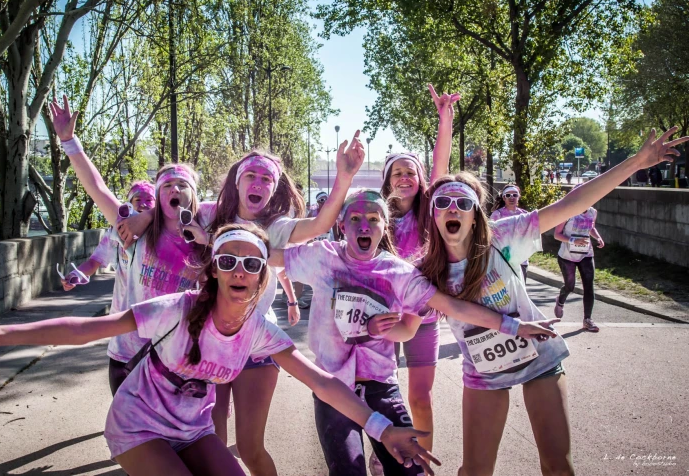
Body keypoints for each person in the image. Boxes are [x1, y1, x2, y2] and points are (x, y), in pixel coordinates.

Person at [0, 224, 440, 476]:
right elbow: (86, 327)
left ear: (264, 275)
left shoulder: (259, 331)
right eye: (228, 260)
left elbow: (323, 383)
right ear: (214, 268)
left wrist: (381, 428)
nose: (240, 270)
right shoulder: (176, 308)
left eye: (252, 263)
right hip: (138, 425)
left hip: (191, 427)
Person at [416, 126, 687, 476]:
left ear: (475, 214)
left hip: (539, 355)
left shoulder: (504, 236)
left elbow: (572, 203)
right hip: (485, 372)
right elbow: (406, 326)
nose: (453, 209)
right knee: (475, 471)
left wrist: (636, 163)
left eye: (464, 203)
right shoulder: (426, 271)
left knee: (558, 466)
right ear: (434, 214)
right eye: (443, 203)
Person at [117, 132, 367, 476]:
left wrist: (344, 177)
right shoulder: (207, 215)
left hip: (256, 347)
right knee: (211, 441)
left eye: (267, 179)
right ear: (238, 182)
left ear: (273, 188)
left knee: (250, 449)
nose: (259, 183)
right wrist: (144, 217)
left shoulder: (275, 228)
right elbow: (171, 215)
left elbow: (320, 225)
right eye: (251, 176)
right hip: (210, 344)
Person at [269, 189, 557, 476]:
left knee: (409, 470)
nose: (364, 226)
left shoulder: (400, 274)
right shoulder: (322, 257)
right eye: (354, 218)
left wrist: (514, 326)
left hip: (380, 383)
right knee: (347, 470)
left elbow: (453, 306)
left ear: (384, 227)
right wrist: (231, 237)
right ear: (341, 225)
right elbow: (269, 257)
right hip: (332, 386)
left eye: (373, 218)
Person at [49, 96, 205, 396]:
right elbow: (97, 189)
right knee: (127, 438)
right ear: (159, 196)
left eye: (182, 185)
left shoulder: (203, 240)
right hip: (127, 355)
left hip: (177, 360)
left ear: (193, 196)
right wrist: (69, 141)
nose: (174, 189)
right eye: (167, 186)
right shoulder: (132, 231)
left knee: (172, 441)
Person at [374, 84, 457, 475]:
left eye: (411, 172)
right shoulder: (377, 218)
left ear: (420, 179)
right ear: (388, 181)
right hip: (384, 320)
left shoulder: (429, 211)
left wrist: (445, 120)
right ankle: (383, 451)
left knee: (420, 397)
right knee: (381, 395)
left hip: (423, 318)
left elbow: (441, 166)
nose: (404, 178)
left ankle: (421, 464)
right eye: (397, 173)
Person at [60, 180, 155, 292]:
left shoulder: (166, 231)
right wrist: (75, 275)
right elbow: (94, 262)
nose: (143, 204)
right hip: (124, 303)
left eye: (149, 200)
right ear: (129, 204)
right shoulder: (117, 231)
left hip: (155, 303)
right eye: (137, 199)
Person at [553, 188, 605, 332]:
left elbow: (590, 227)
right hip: (567, 256)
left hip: (586, 254)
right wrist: (573, 240)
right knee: (570, 286)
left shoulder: (592, 212)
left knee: (589, 285)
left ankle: (587, 320)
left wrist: (598, 237)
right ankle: (560, 300)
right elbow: (557, 234)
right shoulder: (567, 212)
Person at [490, 184, 529, 281]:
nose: (512, 197)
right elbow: (490, 235)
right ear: (503, 198)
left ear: (519, 197)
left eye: (515, 195)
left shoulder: (525, 214)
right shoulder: (497, 215)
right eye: (508, 195)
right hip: (503, 259)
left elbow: (531, 234)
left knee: (521, 290)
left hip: (521, 260)